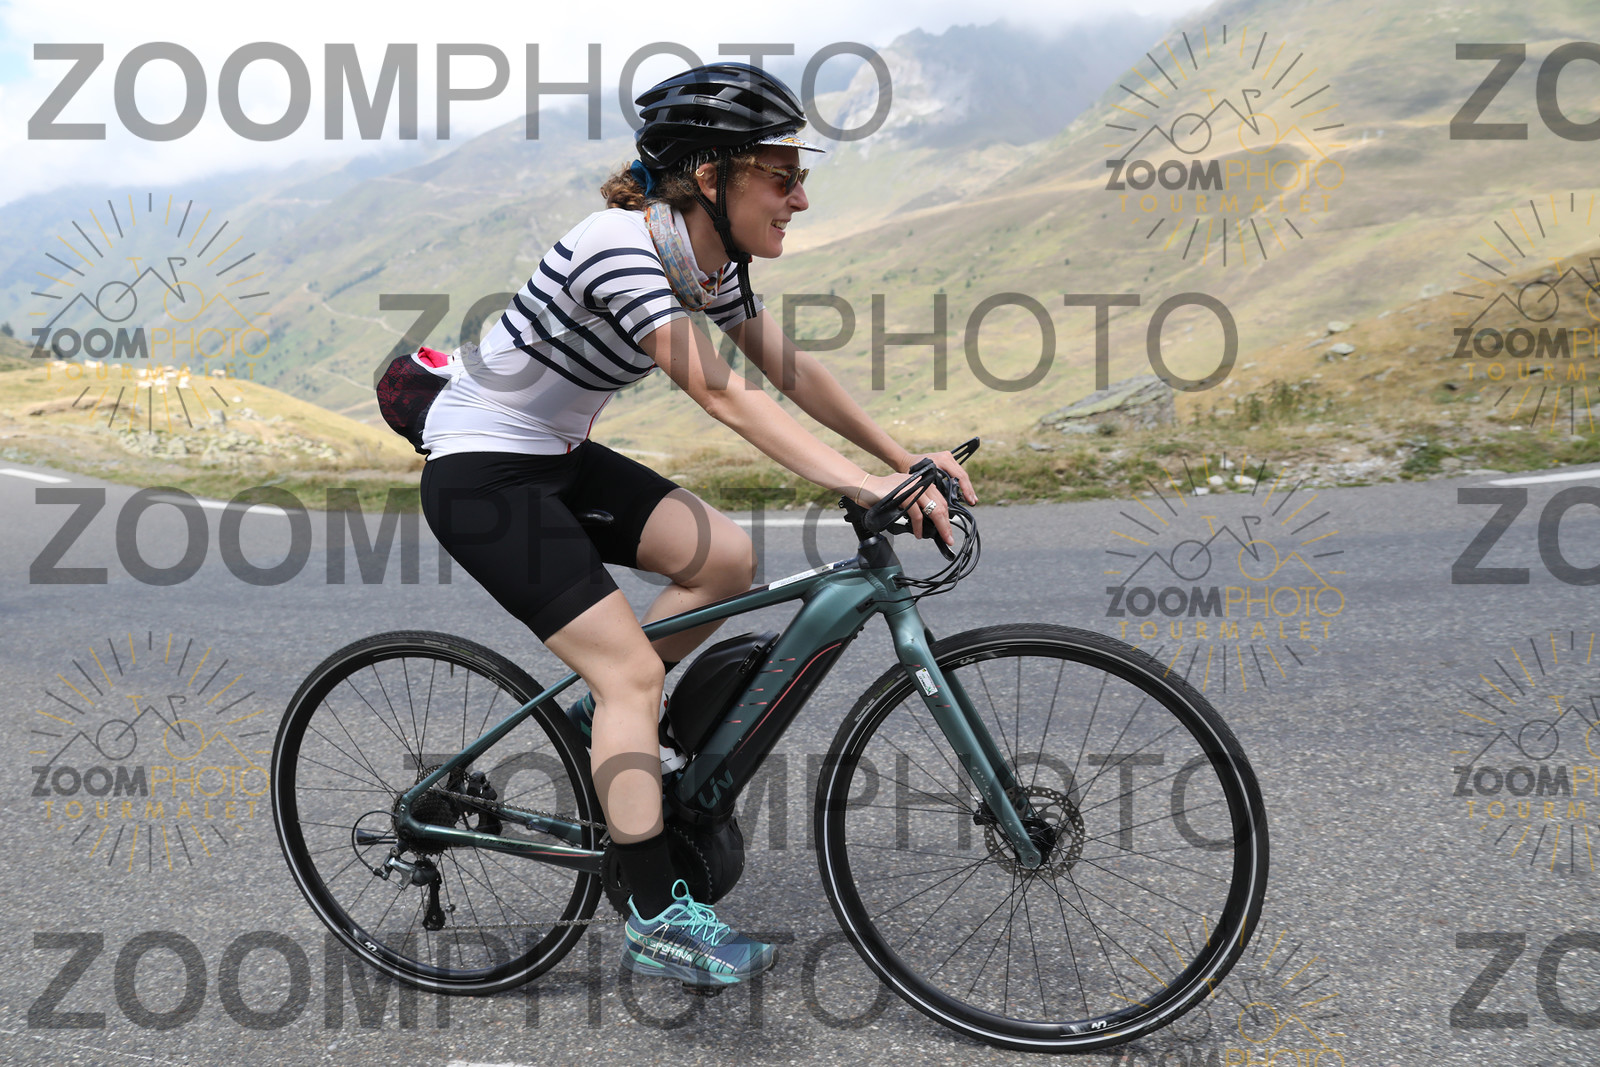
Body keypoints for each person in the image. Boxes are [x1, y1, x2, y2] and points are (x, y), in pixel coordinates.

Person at [416, 62, 976, 989]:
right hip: (483, 474)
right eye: (781, 176)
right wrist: (862, 485)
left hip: (556, 457)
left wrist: (901, 458)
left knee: (726, 558)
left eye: (801, 175)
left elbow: (789, 370)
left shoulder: (705, 261)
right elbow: (721, 392)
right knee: (633, 671)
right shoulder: (618, 247)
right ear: (710, 176)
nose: (800, 198)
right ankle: (655, 917)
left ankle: (603, 723)